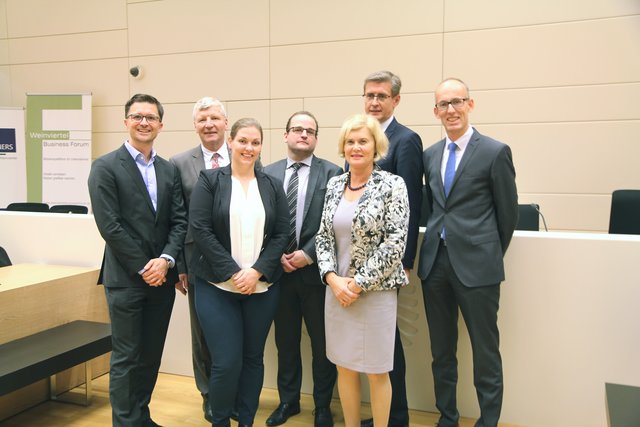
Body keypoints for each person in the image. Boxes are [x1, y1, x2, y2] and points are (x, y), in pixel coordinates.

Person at [418, 78, 518, 427]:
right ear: (435, 111)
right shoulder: (429, 155)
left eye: (457, 102)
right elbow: (433, 209)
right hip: (435, 266)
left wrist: (486, 252)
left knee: (485, 351)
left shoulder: (494, 151)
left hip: (478, 268)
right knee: (442, 352)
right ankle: (448, 417)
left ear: (470, 105)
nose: (451, 110)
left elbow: (508, 215)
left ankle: (488, 420)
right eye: (443, 105)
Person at [88, 93, 188, 427]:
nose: (144, 122)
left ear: (161, 124)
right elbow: (110, 226)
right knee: (127, 357)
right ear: (126, 121)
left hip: (162, 279)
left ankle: (141, 416)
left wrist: (166, 260)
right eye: (137, 116)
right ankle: (126, 422)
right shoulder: (104, 167)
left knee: (149, 356)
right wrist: (146, 266)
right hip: (126, 280)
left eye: (150, 117)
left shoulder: (168, 169)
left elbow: (179, 221)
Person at [189, 118, 289, 427]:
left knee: (252, 359)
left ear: (261, 146)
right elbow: (201, 231)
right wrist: (235, 273)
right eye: (243, 141)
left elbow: (282, 235)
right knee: (226, 362)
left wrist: (257, 271)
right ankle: (220, 421)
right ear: (230, 142)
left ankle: (246, 421)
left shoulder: (271, 184)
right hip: (216, 286)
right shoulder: (210, 181)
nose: (249, 148)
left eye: (255, 142)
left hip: (261, 289)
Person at [316, 114, 409, 427]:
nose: (356, 147)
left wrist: (355, 285)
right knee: (344, 367)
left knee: (377, 371)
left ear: (376, 146)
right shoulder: (333, 185)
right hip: (336, 291)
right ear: (343, 147)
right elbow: (323, 238)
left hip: (374, 293)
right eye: (350, 141)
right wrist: (332, 279)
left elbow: (395, 244)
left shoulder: (393, 185)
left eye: (363, 141)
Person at [263, 111, 342, 427]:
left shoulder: (333, 172)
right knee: (286, 342)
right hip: (279, 274)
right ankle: (288, 402)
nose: (303, 134)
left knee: (323, 345)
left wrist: (307, 254)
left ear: (316, 139)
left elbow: (336, 221)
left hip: (317, 274)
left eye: (310, 131)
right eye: (297, 129)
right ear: (285, 135)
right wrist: (276, 257)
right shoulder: (266, 173)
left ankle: (322, 406)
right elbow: (262, 221)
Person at [359, 70, 423, 427]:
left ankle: (396, 418)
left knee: (387, 344)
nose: (374, 102)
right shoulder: (360, 136)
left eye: (382, 96)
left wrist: (405, 260)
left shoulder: (406, 140)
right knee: (371, 343)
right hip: (358, 263)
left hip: (389, 261)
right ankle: (384, 414)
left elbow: (412, 204)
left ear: (396, 100)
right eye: (369, 95)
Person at [170, 97, 229, 422]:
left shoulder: (245, 155)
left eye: (215, 118)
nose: (209, 124)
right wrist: (179, 265)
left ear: (225, 124)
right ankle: (208, 394)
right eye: (203, 119)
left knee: (234, 333)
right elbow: (176, 218)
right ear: (195, 125)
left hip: (240, 265)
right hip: (197, 263)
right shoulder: (179, 163)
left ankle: (229, 391)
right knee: (203, 333)